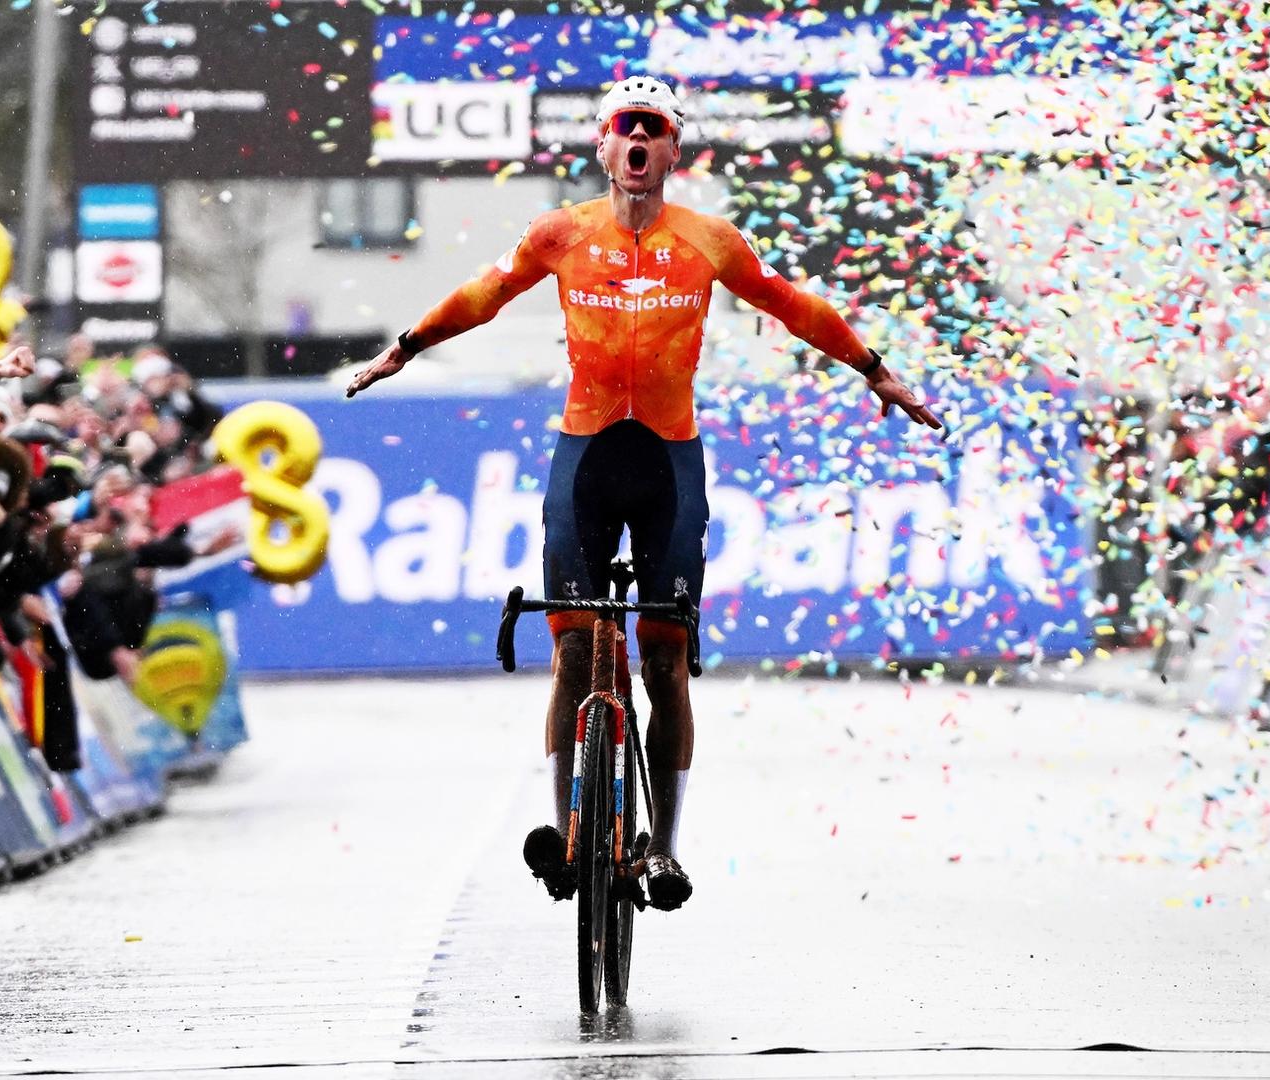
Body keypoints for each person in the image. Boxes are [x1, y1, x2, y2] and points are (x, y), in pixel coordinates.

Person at [346, 76, 942, 911]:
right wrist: (405, 349)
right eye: (622, 130)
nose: (635, 143)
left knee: (662, 658)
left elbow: (791, 305)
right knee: (576, 651)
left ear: (671, 149)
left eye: (651, 131)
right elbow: (484, 296)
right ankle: (565, 835)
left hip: (668, 461)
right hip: (586, 455)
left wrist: (876, 373)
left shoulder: (706, 239)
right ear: (601, 147)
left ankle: (662, 848)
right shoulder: (561, 234)